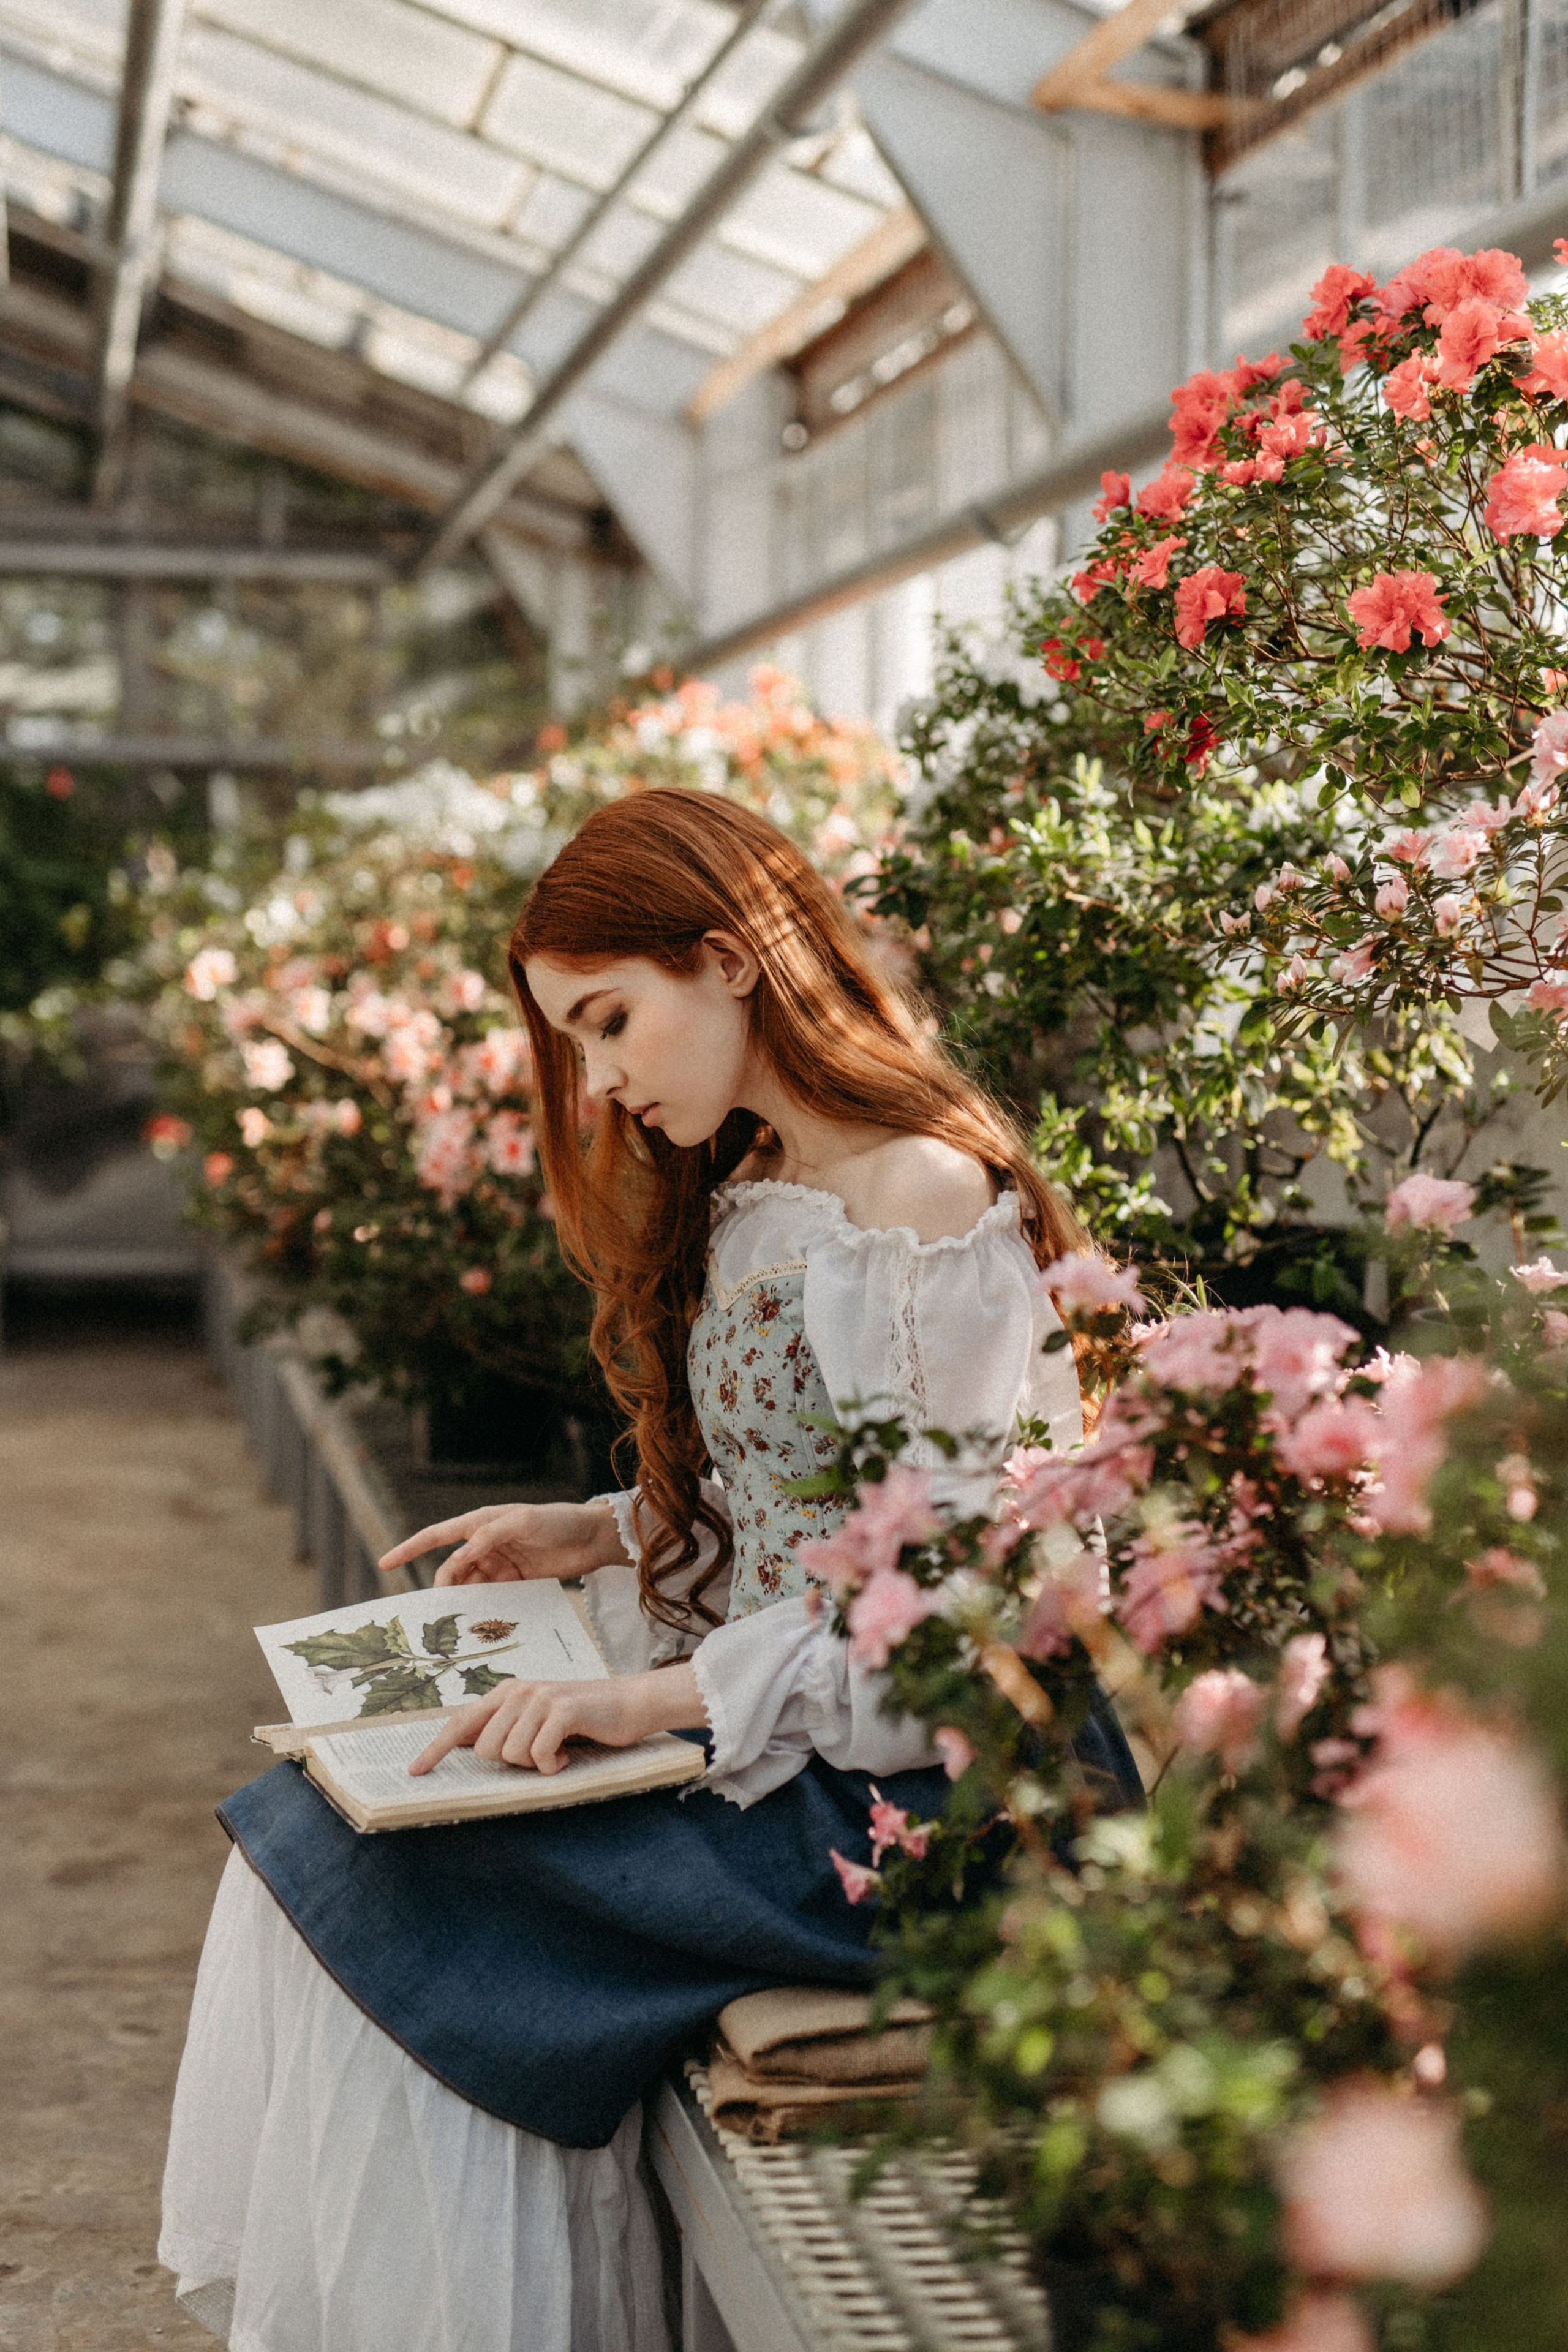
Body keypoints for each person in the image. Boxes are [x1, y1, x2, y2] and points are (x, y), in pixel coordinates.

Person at [159, 787, 1139, 2352]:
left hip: (922, 1803)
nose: (600, 1084)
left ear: (732, 957)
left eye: (610, 1024)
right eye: (576, 1044)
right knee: (321, 1830)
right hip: (792, 1731)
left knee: (371, 1880)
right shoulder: (768, 1197)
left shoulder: (924, 1207)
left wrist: (644, 1702)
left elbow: (941, 1626)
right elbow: (807, 1505)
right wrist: (600, 1528)